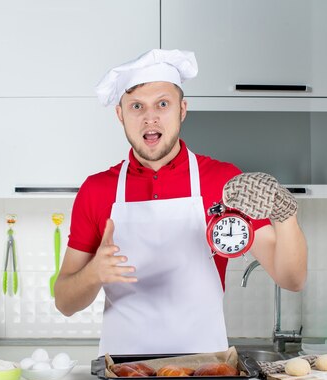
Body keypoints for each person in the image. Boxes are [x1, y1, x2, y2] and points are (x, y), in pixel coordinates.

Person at [54, 49, 307, 356]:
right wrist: (94, 272)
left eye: (163, 104)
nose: (151, 117)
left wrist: (285, 214)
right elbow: (65, 303)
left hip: (206, 369)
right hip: (123, 372)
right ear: (120, 114)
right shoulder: (97, 191)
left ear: (182, 109)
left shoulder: (224, 182)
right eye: (137, 106)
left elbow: (291, 279)